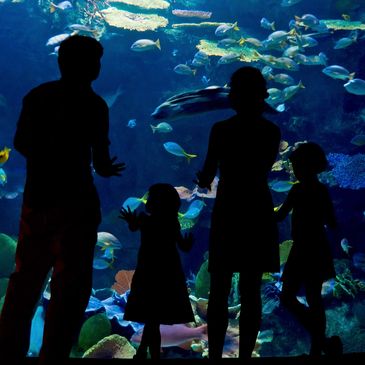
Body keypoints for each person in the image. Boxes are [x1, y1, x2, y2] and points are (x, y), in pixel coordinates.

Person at [0, 35, 125, 365]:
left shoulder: (38, 96)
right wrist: (106, 168)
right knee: (70, 287)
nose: (98, 67)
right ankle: (53, 356)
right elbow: (99, 161)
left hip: (39, 198)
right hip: (78, 202)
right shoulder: (95, 105)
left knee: (25, 279)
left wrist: (48, 154)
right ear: (87, 66)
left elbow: (22, 143)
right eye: (95, 61)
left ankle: (8, 352)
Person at [194, 66, 281, 359]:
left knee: (218, 288)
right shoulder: (271, 131)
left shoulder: (221, 130)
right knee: (251, 288)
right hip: (257, 207)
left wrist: (202, 180)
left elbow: (207, 176)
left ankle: (216, 356)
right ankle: (245, 357)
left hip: (229, 209)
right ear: (262, 97)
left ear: (233, 97)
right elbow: (264, 169)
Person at [275, 142, 343, 356]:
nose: (294, 170)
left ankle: (318, 344)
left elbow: (279, 215)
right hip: (318, 247)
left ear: (306, 166)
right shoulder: (322, 190)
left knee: (288, 296)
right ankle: (320, 344)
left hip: (304, 248)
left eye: (296, 166)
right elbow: (332, 223)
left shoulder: (297, 189)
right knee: (314, 297)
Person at [119, 183, 195, 359]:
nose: (147, 201)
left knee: (152, 319)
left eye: (151, 198)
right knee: (154, 319)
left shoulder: (147, 220)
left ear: (157, 202)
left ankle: (145, 353)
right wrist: (188, 243)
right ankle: (146, 353)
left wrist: (131, 221)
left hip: (149, 271)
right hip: (168, 272)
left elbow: (133, 227)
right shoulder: (172, 222)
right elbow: (182, 246)